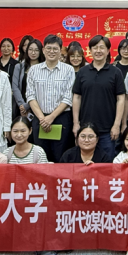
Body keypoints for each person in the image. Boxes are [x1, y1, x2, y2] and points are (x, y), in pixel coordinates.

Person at [72, 35, 126, 157]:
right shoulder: (82, 72)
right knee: (85, 162)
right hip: (85, 129)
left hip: (108, 129)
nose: (98, 51)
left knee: (107, 163)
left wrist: (116, 125)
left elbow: (121, 99)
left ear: (108, 50)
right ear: (90, 50)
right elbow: (77, 97)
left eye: (102, 47)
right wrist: (76, 123)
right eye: (95, 48)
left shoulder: (116, 72)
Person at [26, 34, 76, 162]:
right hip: (40, 119)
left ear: (60, 51)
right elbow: (30, 96)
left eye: (55, 49)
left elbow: (68, 97)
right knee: (41, 157)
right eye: (48, 48)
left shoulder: (68, 70)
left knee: (60, 157)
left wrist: (51, 117)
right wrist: (42, 119)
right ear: (43, 50)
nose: (51, 51)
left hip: (61, 119)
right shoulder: (34, 70)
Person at [12, 38, 45, 121]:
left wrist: (27, 105)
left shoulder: (44, 68)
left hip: (39, 107)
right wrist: (22, 105)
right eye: (30, 49)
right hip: (21, 107)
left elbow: (42, 90)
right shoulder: (19, 67)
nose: (33, 53)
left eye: (36, 50)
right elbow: (15, 87)